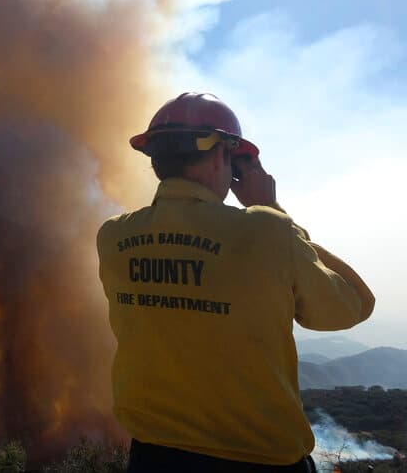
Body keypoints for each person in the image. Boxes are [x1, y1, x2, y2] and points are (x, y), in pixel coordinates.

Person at [98, 92, 374, 473]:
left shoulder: (113, 237)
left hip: (152, 456)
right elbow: (351, 307)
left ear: (156, 159)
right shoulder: (267, 230)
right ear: (220, 156)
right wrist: (272, 208)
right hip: (259, 460)